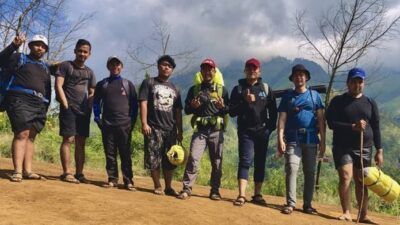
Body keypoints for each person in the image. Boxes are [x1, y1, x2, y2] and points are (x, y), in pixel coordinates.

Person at [326, 68, 383, 223]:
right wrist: (352, 127)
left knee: (361, 181)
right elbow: (331, 123)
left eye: (360, 81)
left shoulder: (370, 103)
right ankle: (346, 212)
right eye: (354, 81)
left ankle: (363, 215)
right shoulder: (338, 101)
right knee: (345, 176)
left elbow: (376, 127)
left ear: (363, 83)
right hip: (342, 146)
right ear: (348, 83)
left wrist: (379, 150)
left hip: (364, 147)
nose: (357, 84)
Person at [0, 34, 55, 182]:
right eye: (37, 44)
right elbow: (1, 60)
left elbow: (48, 87)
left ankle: (28, 171)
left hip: (39, 103)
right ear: (30, 46)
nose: (40, 48)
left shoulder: (45, 67)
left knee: (31, 136)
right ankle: (17, 171)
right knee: (22, 134)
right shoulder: (18, 58)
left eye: (43, 46)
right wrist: (13, 46)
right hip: (19, 99)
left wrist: (46, 104)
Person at [177, 58, 229, 201]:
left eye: (210, 69)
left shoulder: (222, 90)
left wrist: (222, 107)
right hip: (200, 130)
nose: (207, 72)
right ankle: (187, 189)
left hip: (216, 130)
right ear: (201, 72)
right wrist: (193, 107)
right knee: (193, 158)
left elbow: (228, 110)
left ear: (214, 71)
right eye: (204, 69)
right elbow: (186, 110)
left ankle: (215, 191)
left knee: (217, 162)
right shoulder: (194, 90)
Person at [277, 64, 325, 215]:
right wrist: (280, 139)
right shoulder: (288, 96)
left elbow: (322, 119)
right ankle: (290, 203)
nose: (299, 77)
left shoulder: (315, 95)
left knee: (309, 171)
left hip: (311, 138)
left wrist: (323, 141)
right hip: (292, 138)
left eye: (302, 75)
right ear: (293, 78)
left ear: (306, 77)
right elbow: (282, 118)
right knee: (291, 168)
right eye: (296, 75)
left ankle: (307, 205)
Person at [229, 58, 277, 206]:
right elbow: (231, 112)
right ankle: (242, 195)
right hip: (245, 131)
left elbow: (273, 111)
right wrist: (245, 102)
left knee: (260, 162)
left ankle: (257, 195)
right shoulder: (238, 89)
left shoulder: (266, 88)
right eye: (249, 68)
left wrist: (269, 129)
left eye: (254, 68)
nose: (252, 71)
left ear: (259, 71)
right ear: (245, 70)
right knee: (245, 160)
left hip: (262, 131)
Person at [139, 55, 183, 196]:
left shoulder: (176, 88)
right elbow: (143, 102)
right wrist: (144, 123)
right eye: (164, 65)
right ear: (158, 66)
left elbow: (177, 111)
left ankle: (169, 187)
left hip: (170, 129)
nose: (166, 68)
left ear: (172, 70)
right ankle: (157, 185)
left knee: (170, 159)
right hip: (153, 127)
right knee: (154, 157)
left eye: (169, 66)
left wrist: (179, 130)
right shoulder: (149, 83)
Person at [93, 56, 138, 191]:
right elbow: (96, 102)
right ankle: (112, 179)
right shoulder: (103, 84)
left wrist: (132, 122)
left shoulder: (127, 84)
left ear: (121, 67)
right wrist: (97, 117)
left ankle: (128, 181)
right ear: (108, 67)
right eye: (112, 65)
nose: (115, 67)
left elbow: (134, 105)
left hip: (124, 124)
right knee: (110, 153)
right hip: (107, 124)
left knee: (125, 153)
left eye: (117, 64)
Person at [55, 39, 96, 184]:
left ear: (89, 54)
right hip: (69, 108)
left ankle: (79, 173)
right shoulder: (66, 66)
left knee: (81, 142)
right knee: (68, 139)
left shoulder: (89, 72)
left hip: (83, 111)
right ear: (75, 51)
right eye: (80, 51)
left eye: (85, 52)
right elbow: (58, 85)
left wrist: (89, 107)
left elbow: (92, 91)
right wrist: (65, 104)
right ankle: (67, 172)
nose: (82, 54)